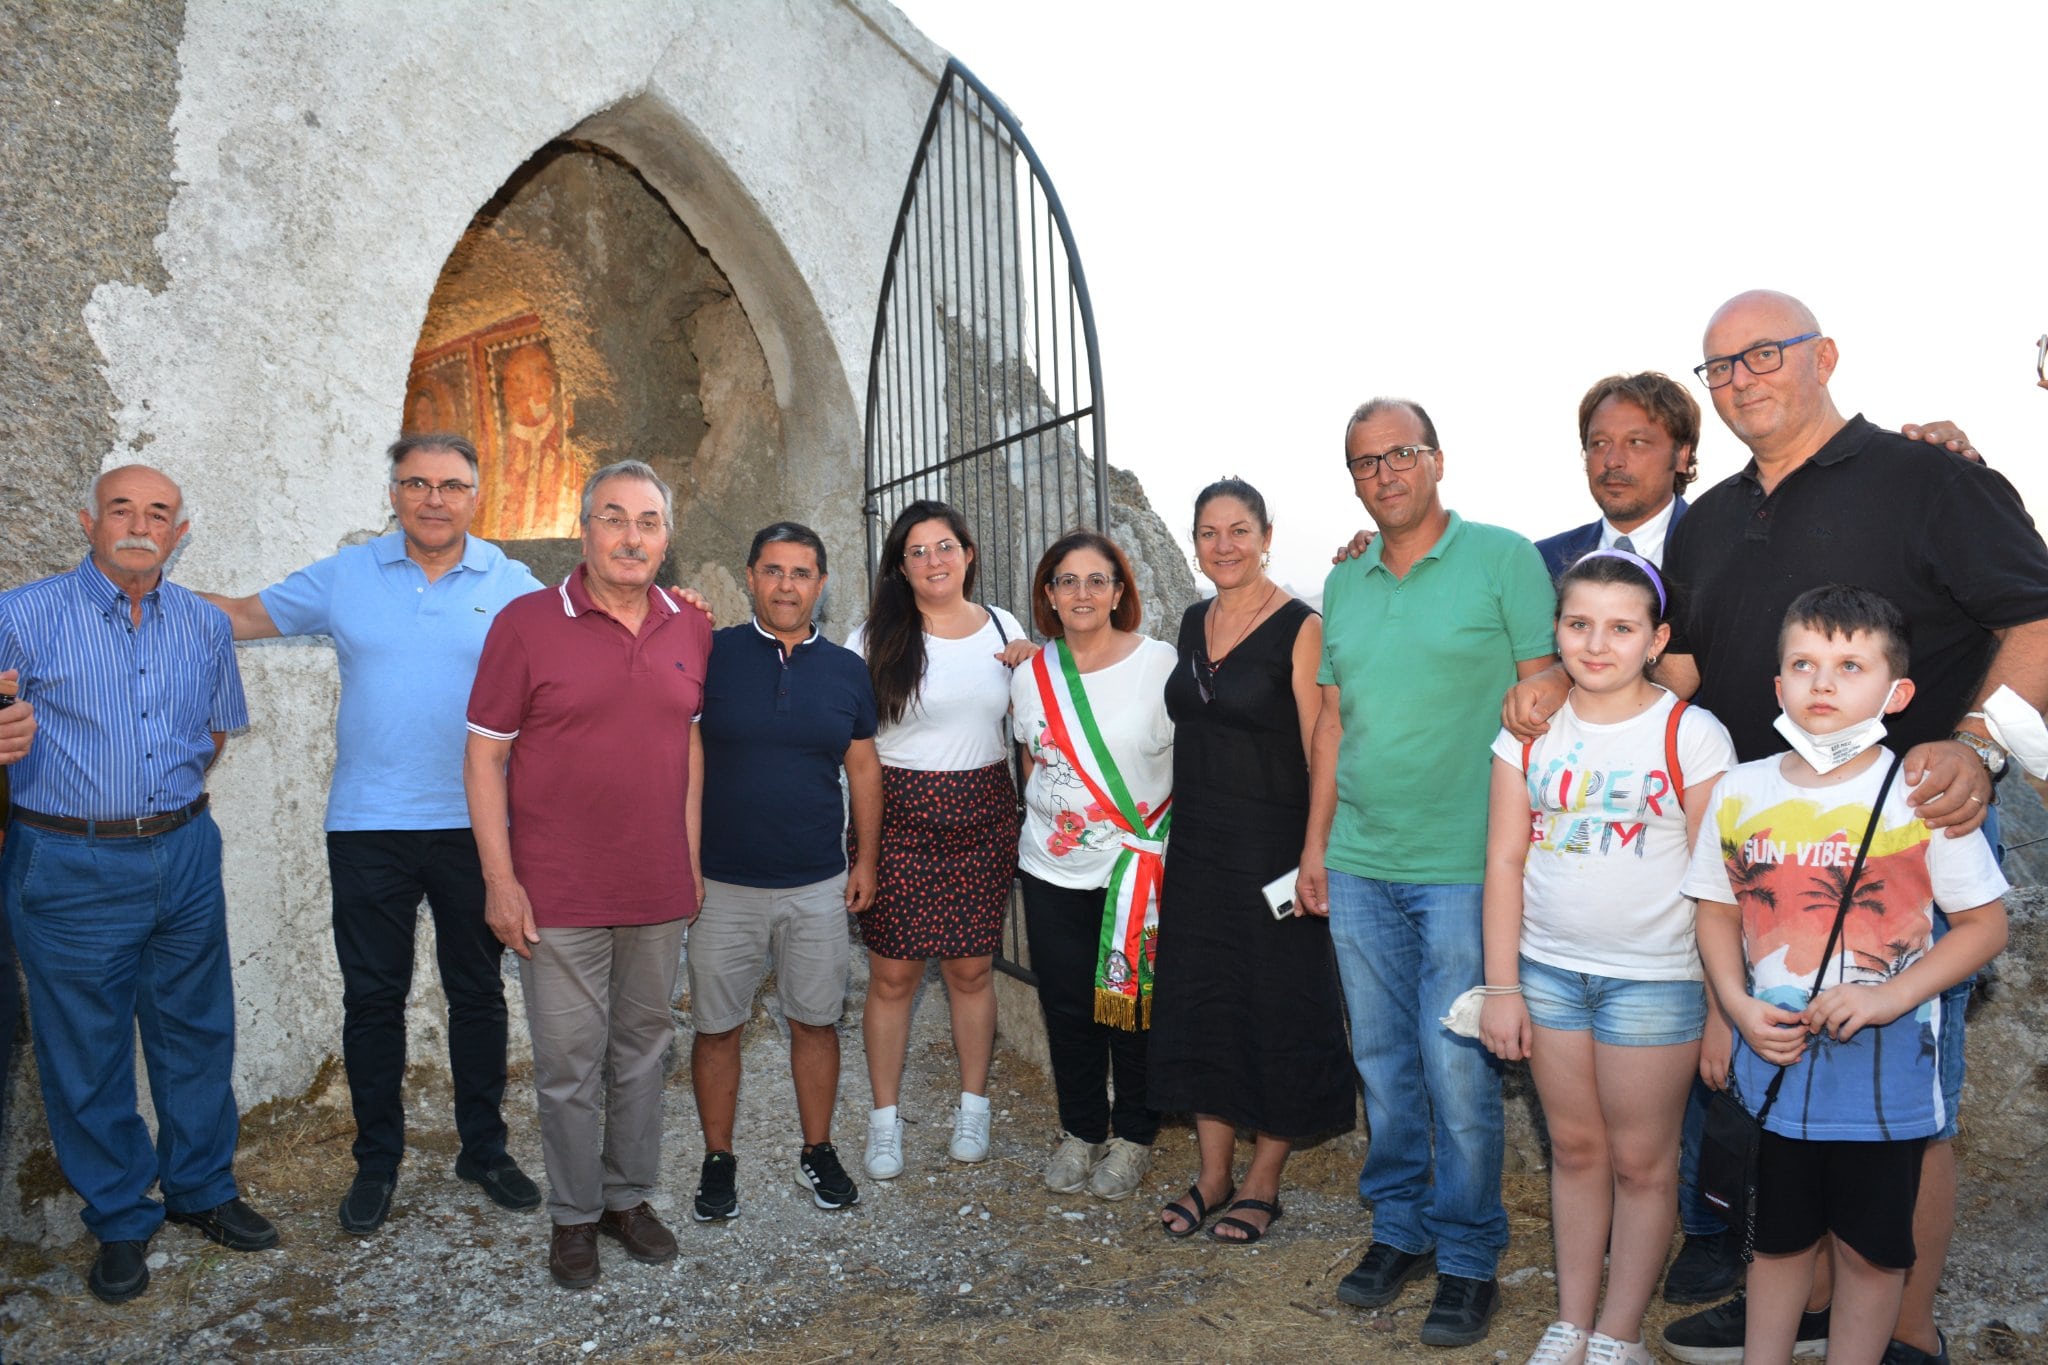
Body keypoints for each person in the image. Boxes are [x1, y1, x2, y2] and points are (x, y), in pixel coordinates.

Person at [1508, 290, 2048, 1365]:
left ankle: (1900, 1335)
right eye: (1718, 366)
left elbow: (2032, 619)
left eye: (1763, 353)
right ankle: (1801, 1309)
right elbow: (1687, 670)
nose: (1740, 377)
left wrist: (1976, 744)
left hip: (1897, 847)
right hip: (1761, 853)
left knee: (1901, 1103)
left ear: (1823, 356)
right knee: (1781, 1083)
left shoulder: (1930, 479)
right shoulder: (1706, 521)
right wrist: (1548, 686)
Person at [200, 434, 544, 1235]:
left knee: (478, 994)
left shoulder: (514, 582)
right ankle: (377, 1159)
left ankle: (484, 1148)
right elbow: (245, 615)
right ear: (392, 492)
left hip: (475, 827)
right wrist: (138, 589)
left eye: (451, 485)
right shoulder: (347, 574)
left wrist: (683, 614)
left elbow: (587, 632)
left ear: (475, 495)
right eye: (415, 482)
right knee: (373, 999)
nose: (433, 498)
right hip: (367, 825)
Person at [1684, 586, 2007, 1365]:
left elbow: (1984, 926)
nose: (1823, 683)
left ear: (1895, 693)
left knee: (1871, 1250)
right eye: (1804, 663)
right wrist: (1731, 1005)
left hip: (1886, 1076)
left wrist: (1886, 996)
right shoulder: (1740, 790)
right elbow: (1718, 912)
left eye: (1850, 664)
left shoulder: (1921, 798)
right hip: (1777, 1063)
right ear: (1778, 686)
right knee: (1776, 1242)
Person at [1300, 399, 1559, 1348]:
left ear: (1436, 459)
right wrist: (1315, 845)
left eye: (1401, 453)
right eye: (1365, 462)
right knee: (1384, 1065)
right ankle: (1398, 1231)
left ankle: (1467, 1256)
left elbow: (1550, 679)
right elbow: (1334, 721)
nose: (1385, 473)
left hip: (1466, 866)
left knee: (1457, 1075)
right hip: (1363, 863)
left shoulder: (1504, 558)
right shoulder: (1351, 584)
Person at [0, 465, 277, 1305]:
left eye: (158, 512)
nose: (139, 523)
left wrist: (162, 805)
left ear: (179, 531)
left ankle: (201, 1188)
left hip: (185, 850)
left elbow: (214, 732)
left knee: (198, 1028)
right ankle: (121, 1215)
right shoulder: (19, 616)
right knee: (84, 1050)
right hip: (68, 862)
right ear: (88, 519)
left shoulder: (201, 623)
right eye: (122, 506)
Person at [1478, 551, 1736, 1365]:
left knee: (1642, 1162)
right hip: (1550, 974)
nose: (1597, 643)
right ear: (1556, 631)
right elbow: (1505, 861)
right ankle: (1571, 1320)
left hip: (1655, 985)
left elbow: (1719, 883)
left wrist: (1726, 1010)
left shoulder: (1690, 734)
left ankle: (1619, 1332)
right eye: (1579, 623)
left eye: (1621, 627)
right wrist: (1501, 986)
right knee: (1578, 1151)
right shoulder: (1527, 730)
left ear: (1655, 639)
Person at [463, 460, 711, 1290]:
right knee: (570, 1062)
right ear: (585, 529)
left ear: (666, 540)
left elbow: (688, 745)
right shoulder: (527, 622)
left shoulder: (691, 626)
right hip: (558, 888)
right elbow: (485, 755)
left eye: (648, 522)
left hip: (656, 886)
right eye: (615, 518)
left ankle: (627, 1199)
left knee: (644, 1051)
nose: (631, 536)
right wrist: (501, 880)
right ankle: (573, 1216)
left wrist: (691, 858)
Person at [1147, 479, 1354, 1244]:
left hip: (1274, 848)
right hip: (1199, 845)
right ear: (1194, 541)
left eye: (1239, 530)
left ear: (1267, 534)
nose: (1224, 545)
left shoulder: (1303, 626)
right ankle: (1211, 1174)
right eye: (1209, 532)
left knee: (1276, 1004)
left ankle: (1263, 1179)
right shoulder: (1193, 619)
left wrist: (1315, 851)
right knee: (1204, 1002)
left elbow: (1321, 742)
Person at [688, 522, 882, 1220]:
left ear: (821, 584)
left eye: (801, 572)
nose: (787, 585)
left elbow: (863, 767)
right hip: (723, 883)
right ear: (749, 577)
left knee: (816, 1021)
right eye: (773, 570)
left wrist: (866, 857)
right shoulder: (710, 656)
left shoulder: (846, 670)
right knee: (716, 1027)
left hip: (817, 882)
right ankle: (718, 1158)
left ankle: (817, 1149)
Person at [847, 500, 1030, 1179]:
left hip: (983, 815)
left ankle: (973, 1108)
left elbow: (1035, 723)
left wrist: (1037, 662)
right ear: (900, 566)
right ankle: (885, 1123)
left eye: (945, 545)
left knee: (971, 969)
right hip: (895, 818)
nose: (934, 560)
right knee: (892, 975)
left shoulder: (1006, 628)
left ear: (968, 552)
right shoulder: (872, 637)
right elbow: (849, 739)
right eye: (917, 551)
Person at [1009, 531, 1176, 1203]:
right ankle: (1080, 1128)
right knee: (1068, 1005)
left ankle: (1134, 1135)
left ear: (1119, 591)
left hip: (1130, 871)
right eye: (1066, 580)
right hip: (1050, 868)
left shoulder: (1158, 663)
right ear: (1048, 594)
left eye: (1096, 580)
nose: (1081, 593)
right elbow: (1035, 761)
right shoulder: (1029, 673)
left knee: (1128, 1007)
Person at [1533, 373, 1701, 579]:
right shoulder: (1541, 563)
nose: (1612, 461)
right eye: (1600, 443)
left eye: (1636, 442)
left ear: (1682, 456)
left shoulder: (1723, 553)